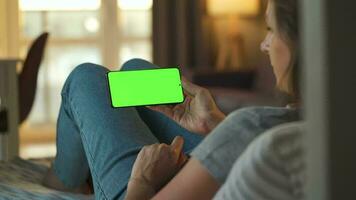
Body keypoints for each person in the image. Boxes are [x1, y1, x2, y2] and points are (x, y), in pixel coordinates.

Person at [42, 0, 300, 199]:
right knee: (135, 69)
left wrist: (142, 182)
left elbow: (246, 141)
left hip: (152, 190)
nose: (264, 45)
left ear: (299, 44)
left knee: (86, 78)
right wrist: (216, 124)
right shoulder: (320, 121)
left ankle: (65, 179)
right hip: (218, 167)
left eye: (270, 30)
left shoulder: (250, 126)